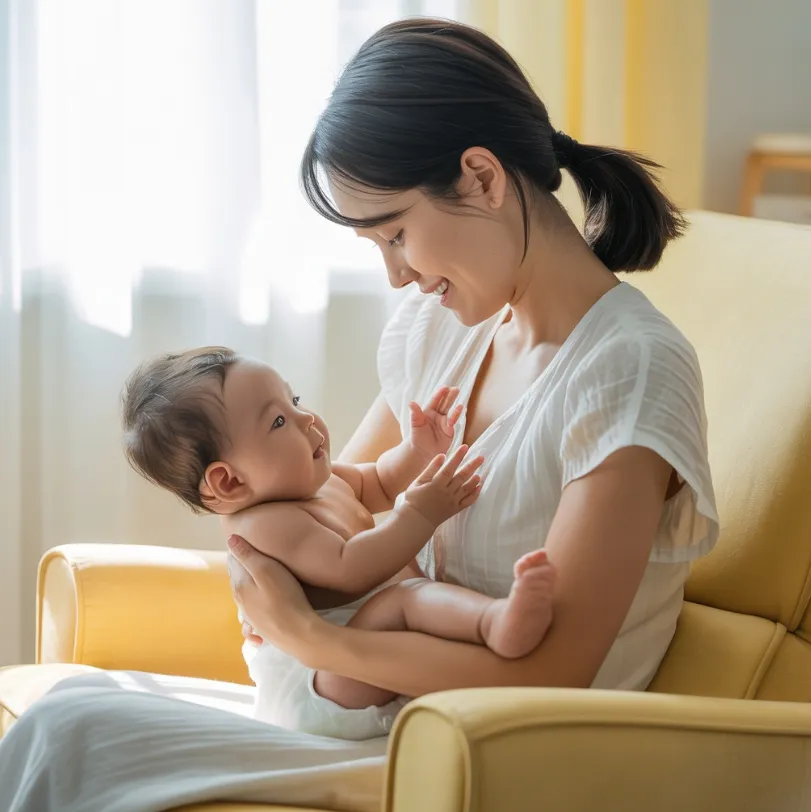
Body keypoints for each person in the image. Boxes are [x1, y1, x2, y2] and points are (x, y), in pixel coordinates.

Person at [0, 17, 718, 812]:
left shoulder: (628, 369)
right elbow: (332, 501)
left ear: (480, 176)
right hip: (371, 713)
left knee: (72, 732)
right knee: (69, 715)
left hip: (498, 757)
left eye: (396, 234)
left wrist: (316, 641)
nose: (398, 276)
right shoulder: (442, 329)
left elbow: (553, 672)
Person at [120, 348, 554, 739]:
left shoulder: (317, 483)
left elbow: (378, 481)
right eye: (278, 421)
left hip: (360, 656)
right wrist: (421, 513)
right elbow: (349, 567)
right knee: (404, 600)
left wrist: (418, 450)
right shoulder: (264, 525)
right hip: (320, 685)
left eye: (294, 400)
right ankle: (496, 623)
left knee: (407, 600)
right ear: (228, 481)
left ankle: (492, 626)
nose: (307, 418)